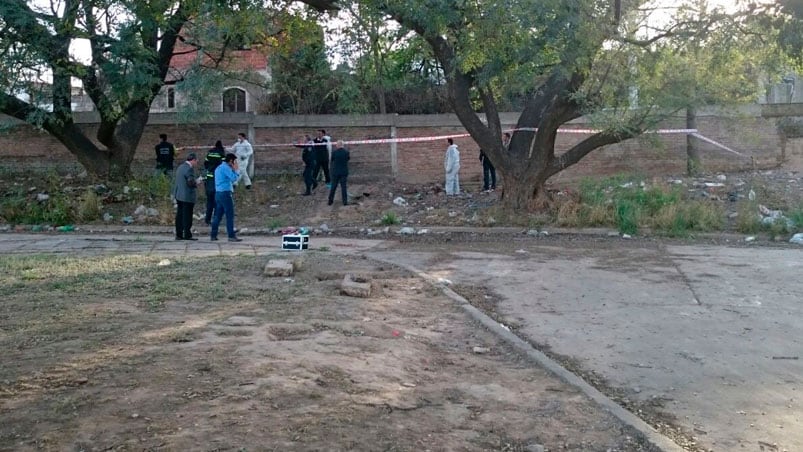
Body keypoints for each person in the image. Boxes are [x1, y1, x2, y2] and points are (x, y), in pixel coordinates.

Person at [210, 153, 243, 242]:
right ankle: (231, 235)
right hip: (225, 193)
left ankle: (213, 234)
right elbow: (234, 178)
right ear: (231, 161)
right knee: (229, 215)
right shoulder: (226, 168)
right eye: (235, 161)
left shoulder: (218, 168)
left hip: (218, 193)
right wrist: (236, 170)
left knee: (218, 215)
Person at [172, 152, 200, 240]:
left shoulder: (180, 167)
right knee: (187, 216)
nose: (197, 163)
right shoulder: (189, 169)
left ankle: (179, 234)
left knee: (179, 215)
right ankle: (187, 234)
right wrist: (197, 182)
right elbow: (190, 182)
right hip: (187, 196)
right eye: (196, 161)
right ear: (193, 160)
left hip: (178, 194)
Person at [203, 140, 226, 224]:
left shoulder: (210, 152)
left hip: (209, 179)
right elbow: (224, 166)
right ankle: (216, 220)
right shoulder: (221, 153)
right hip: (217, 180)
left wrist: (210, 168)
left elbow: (205, 164)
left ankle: (207, 220)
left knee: (209, 201)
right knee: (217, 202)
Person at [328, 140, 350, 206]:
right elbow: (347, 159)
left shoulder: (334, 152)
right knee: (344, 187)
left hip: (335, 172)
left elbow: (332, 160)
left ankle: (330, 201)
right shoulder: (346, 152)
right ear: (343, 145)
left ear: (338, 145)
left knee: (333, 187)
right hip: (343, 171)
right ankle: (345, 201)